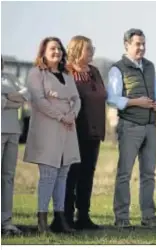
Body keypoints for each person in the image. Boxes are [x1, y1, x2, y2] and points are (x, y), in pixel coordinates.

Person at [106, 28, 156, 229]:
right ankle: (121, 217)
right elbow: (112, 99)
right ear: (127, 45)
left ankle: (149, 217)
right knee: (125, 173)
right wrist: (135, 102)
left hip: (150, 127)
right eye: (137, 44)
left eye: (143, 43)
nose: (141, 47)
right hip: (129, 126)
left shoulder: (150, 66)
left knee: (149, 174)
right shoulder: (117, 68)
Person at [23, 37, 81, 234]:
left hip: (67, 129)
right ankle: (41, 220)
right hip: (47, 129)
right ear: (43, 52)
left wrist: (72, 114)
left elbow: (76, 98)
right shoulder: (36, 73)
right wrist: (60, 116)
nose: (57, 52)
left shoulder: (67, 74)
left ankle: (60, 217)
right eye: (52, 48)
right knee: (48, 175)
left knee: (63, 175)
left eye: (59, 48)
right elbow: (39, 101)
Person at [64, 35, 107, 230]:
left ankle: (83, 216)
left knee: (87, 174)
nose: (92, 52)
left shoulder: (95, 72)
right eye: (89, 49)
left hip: (94, 131)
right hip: (73, 131)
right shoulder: (67, 72)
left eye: (93, 48)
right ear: (77, 50)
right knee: (72, 174)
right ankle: (65, 215)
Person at [1, 56, 29, 236]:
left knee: (8, 177)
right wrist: (13, 99)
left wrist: (6, 98)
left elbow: (27, 94)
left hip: (13, 131)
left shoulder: (9, 77)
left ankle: (6, 221)